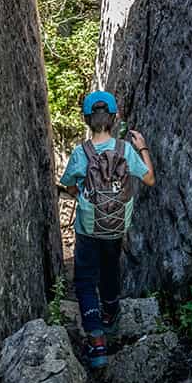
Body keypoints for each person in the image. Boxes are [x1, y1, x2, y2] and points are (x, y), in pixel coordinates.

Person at [60, 90, 155, 368]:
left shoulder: (81, 153)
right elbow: (149, 179)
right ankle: (111, 313)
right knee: (111, 268)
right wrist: (143, 148)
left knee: (85, 280)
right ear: (114, 118)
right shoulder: (126, 150)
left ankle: (97, 342)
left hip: (88, 227)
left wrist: (81, 193)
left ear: (87, 119)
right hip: (115, 227)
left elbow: (69, 184)